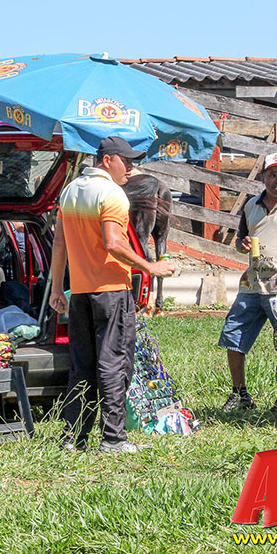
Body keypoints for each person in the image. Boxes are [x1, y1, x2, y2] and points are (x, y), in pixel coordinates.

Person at [49, 136, 176, 454]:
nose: (132, 170)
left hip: (80, 293)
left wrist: (55, 289)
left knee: (83, 366)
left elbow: (60, 245)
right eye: (127, 161)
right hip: (112, 292)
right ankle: (113, 438)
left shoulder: (70, 192)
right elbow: (113, 243)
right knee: (114, 364)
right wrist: (150, 267)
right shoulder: (112, 195)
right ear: (107, 160)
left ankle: (73, 438)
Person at [218, 153, 277, 413]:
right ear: (263, 177)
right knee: (233, 335)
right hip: (253, 282)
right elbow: (240, 240)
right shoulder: (250, 205)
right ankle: (240, 394)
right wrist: (242, 244)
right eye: (272, 175)